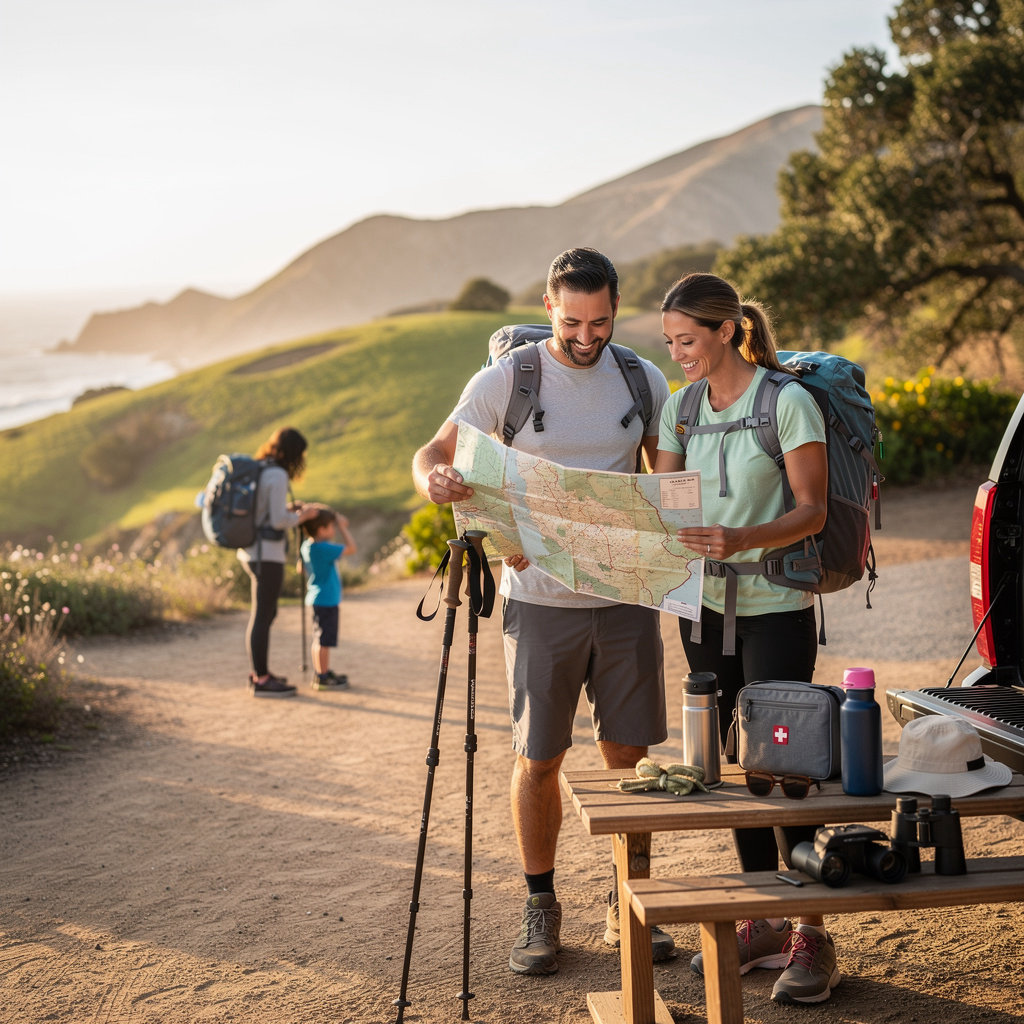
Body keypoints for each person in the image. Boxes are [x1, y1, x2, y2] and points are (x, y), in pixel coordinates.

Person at [412, 247, 673, 976]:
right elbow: (437, 448)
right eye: (572, 322)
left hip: (624, 599)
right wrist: (434, 478)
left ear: (616, 310)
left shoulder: (641, 377)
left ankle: (634, 906)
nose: (587, 337)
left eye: (602, 322)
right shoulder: (510, 378)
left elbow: (664, 477)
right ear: (549, 308)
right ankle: (541, 905)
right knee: (540, 759)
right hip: (538, 604)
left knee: (629, 758)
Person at [652, 272, 837, 1005]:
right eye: (669, 343)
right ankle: (762, 917)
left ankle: (813, 933)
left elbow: (814, 510)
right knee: (737, 769)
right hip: (701, 609)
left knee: (786, 769)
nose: (678, 355)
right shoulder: (679, 410)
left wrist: (742, 539)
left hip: (776, 603)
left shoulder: (786, 402)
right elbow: (663, 505)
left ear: (727, 330)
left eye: (687, 341)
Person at [239, 426, 318, 698]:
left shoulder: (261, 469)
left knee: (266, 614)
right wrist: (303, 516)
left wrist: (289, 511)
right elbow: (276, 521)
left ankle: (260, 673)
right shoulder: (278, 474)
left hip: (251, 551)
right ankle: (261, 679)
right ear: (294, 453)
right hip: (266, 554)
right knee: (262, 615)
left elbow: (266, 512)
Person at [299, 504, 357, 690]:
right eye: (331, 526)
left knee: (319, 639)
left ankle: (321, 672)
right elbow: (351, 548)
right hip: (327, 599)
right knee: (324, 641)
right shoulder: (324, 548)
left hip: (316, 598)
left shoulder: (307, 546)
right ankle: (322, 677)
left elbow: (301, 569)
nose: (333, 529)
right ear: (322, 529)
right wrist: (342, 527)